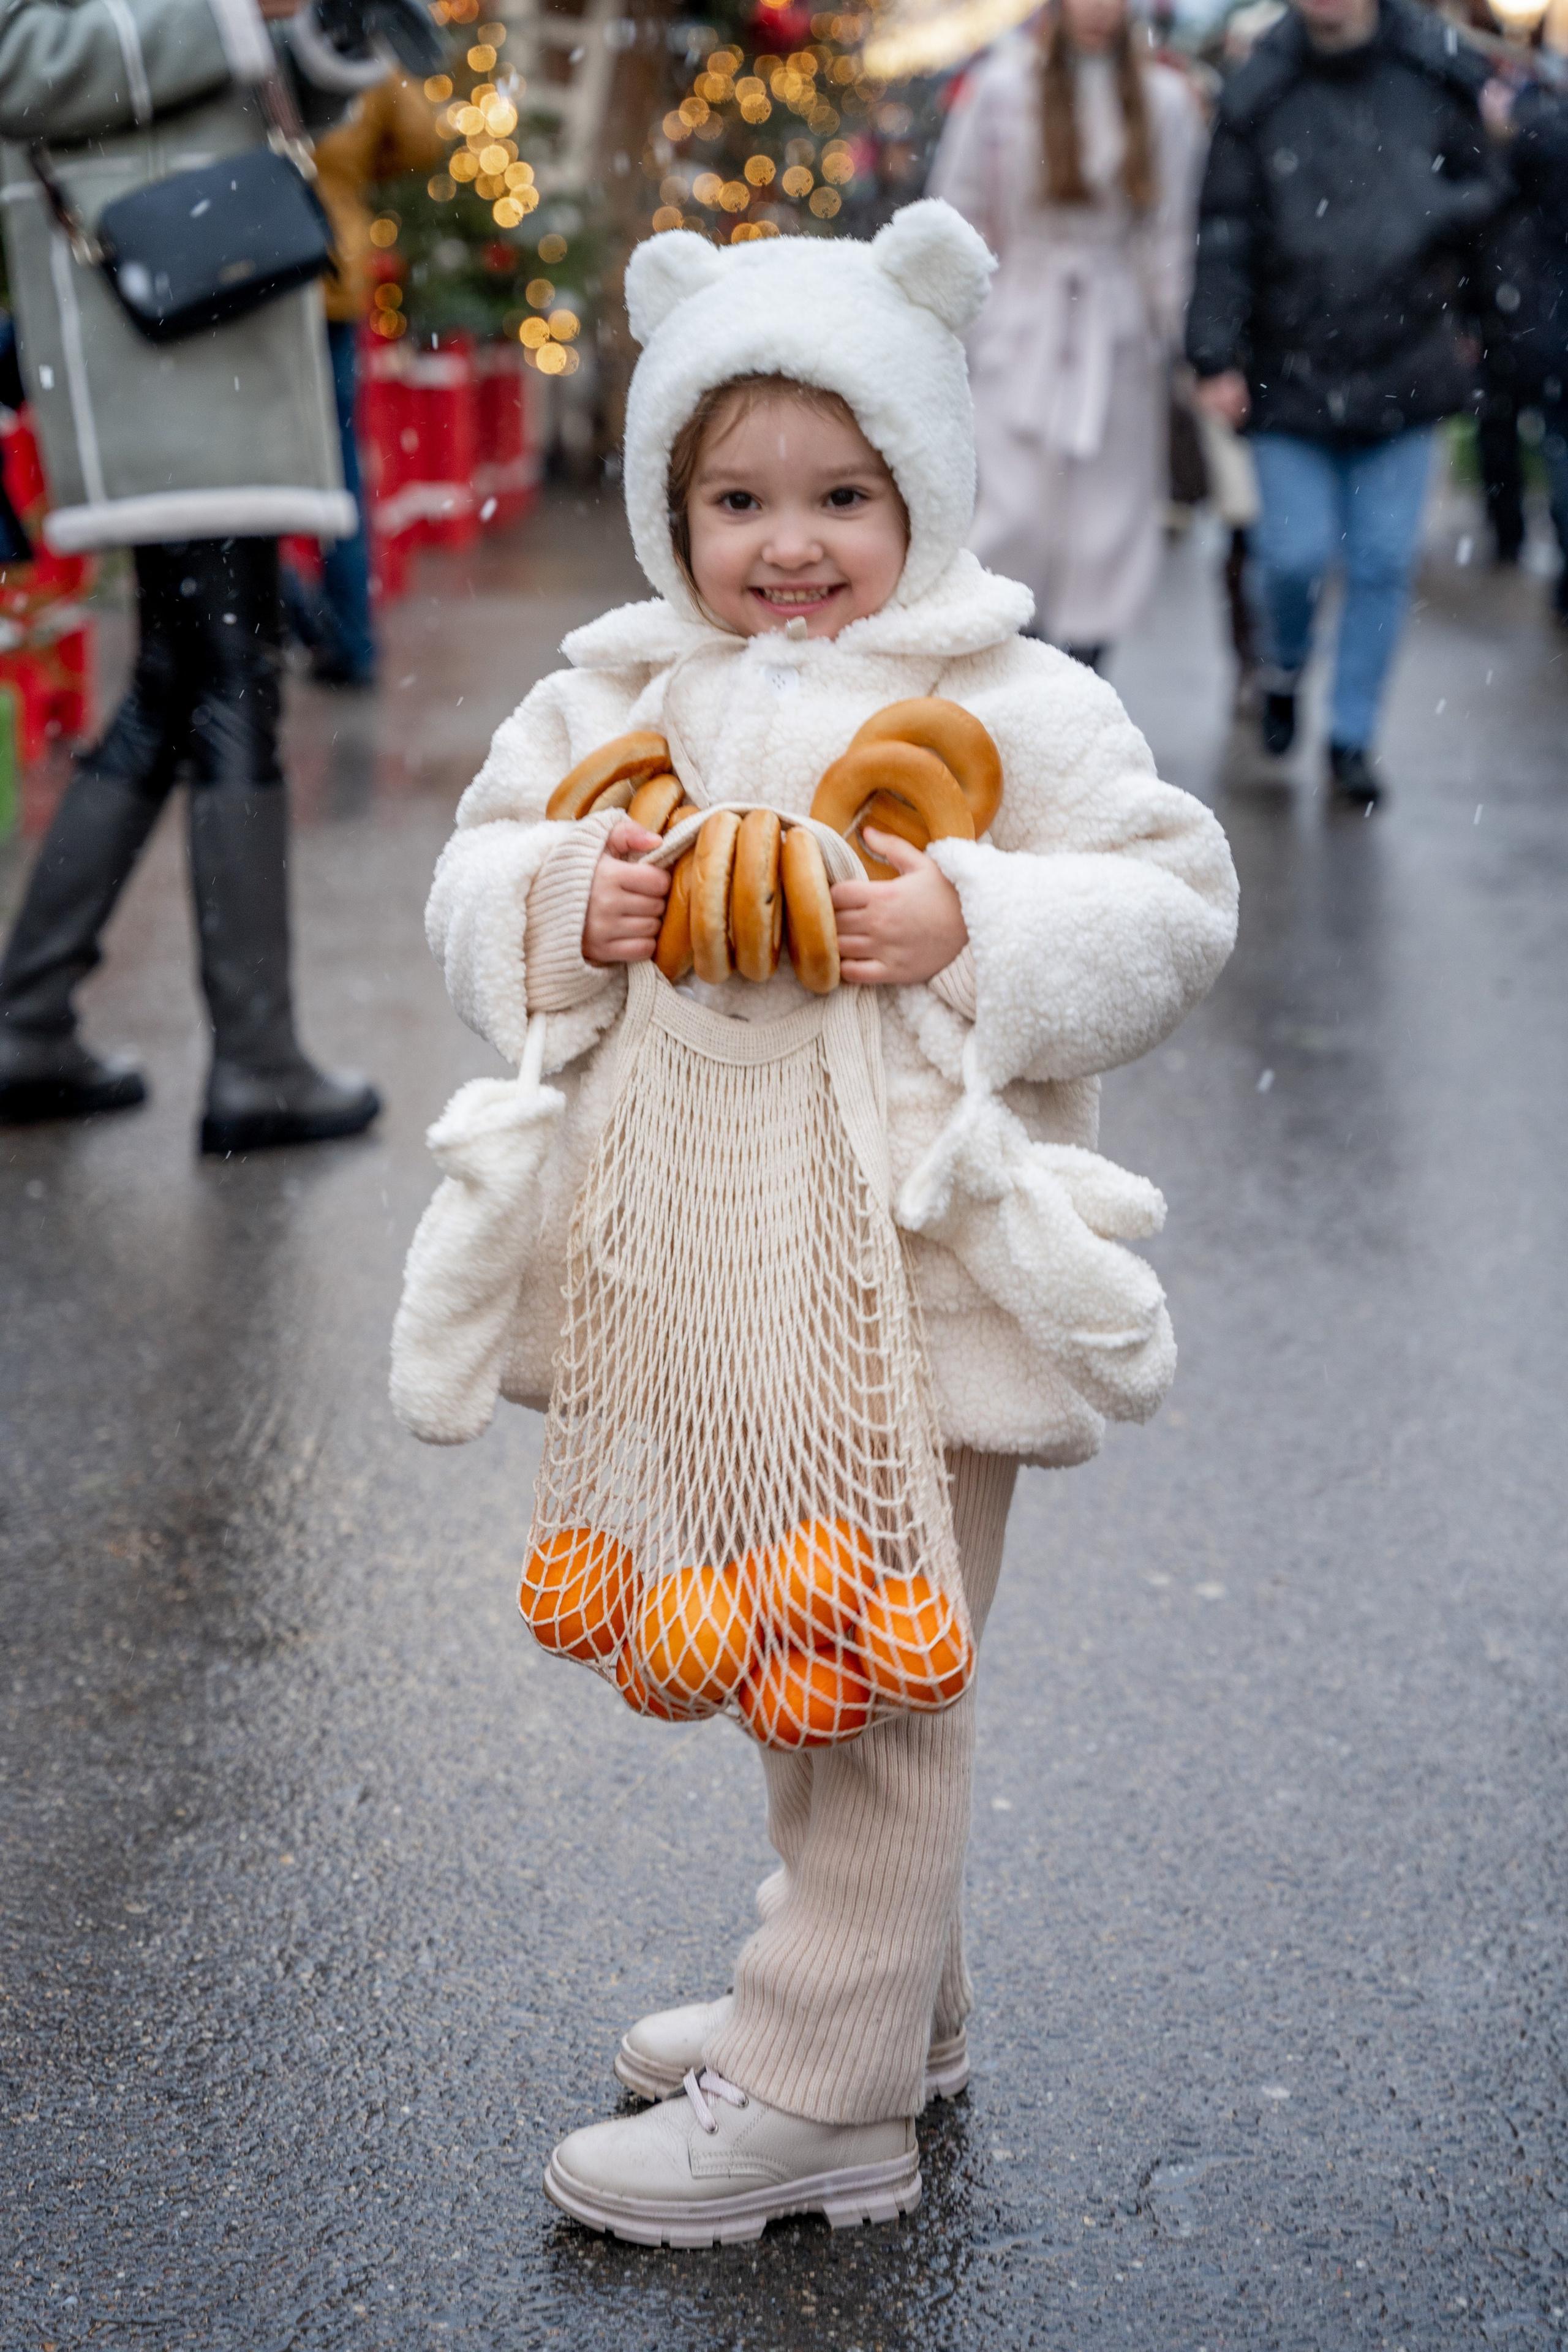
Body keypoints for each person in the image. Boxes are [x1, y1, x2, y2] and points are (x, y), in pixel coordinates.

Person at [415, 205, 1238, 2239]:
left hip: (921, 1270)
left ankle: (822, 2096)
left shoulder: (1013, 699)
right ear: (667, 508)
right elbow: (472, 871)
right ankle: (893, 2003)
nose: (792, 544)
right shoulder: (628, 693)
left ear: (926, 492)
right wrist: (557, 906)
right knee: (816, 1648)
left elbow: (1171, 900)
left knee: (870, 1675)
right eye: (737, 495)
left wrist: (980, 918)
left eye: (846, 494)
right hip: (715, 1282)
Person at [0, 0, 438, 1147]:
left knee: (182, 672)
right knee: (223, 668)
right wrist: (242, 17)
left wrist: (323, 43)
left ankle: (34, 1019)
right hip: (146, 320)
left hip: (185, 311)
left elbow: (225, 85)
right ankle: (251, 1059)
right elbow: (18, 58)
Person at [1187, 0, 1500, 807]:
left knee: (1383, 564)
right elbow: (1223, 229)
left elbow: (1488, 195)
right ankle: (1284, 669)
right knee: (1291, 559)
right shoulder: (1261, 87)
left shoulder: (1436, 69)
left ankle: (1352, 739)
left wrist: (1465, 295)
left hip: (1408, 358)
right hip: (1290, 370)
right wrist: (1214, 351)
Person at [929, 0, 1205, 669]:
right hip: (1020, 322)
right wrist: (958, 326)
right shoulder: (1001, 91)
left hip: (1116, 330)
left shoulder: (1164, 101)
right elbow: (959, 211)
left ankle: (1083, 675)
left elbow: (1171, 232)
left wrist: (1180, 343)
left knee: (1104, 525)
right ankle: (1006, 666)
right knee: (1013, 512)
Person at [284, 70, 444, 685]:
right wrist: (354, 171)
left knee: (243, 467)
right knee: (338, 465)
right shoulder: (348, 46)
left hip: (252, 276)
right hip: (331, 271)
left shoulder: (256, 25)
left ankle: (289, 620)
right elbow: (423, 138)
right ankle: (351, 638)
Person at [1476, 62, 1568, 612]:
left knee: (1540, 442)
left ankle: (1517, 537)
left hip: (1538, 318)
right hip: (1541, 319)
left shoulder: (1538, 138)